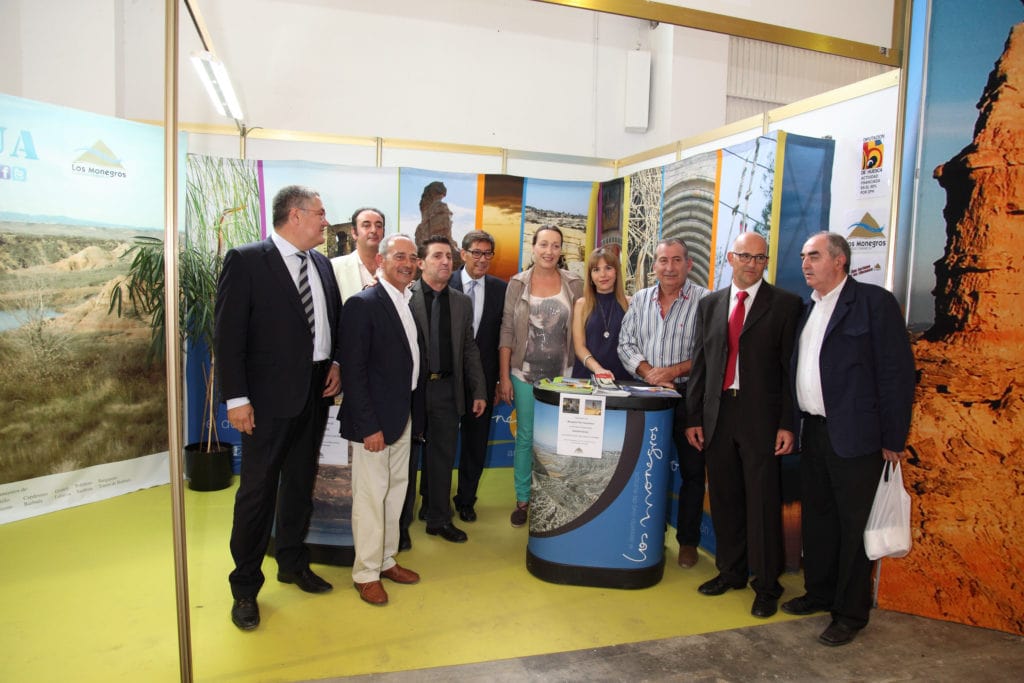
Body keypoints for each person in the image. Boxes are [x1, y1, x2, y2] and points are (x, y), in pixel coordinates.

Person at [215, 185, 343, 631]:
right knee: (258, 492)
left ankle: (292, 562)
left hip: (315, 392)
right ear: (295, 215)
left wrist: (336, 363)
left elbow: (331, 322)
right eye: (320, 213)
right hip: (266, 401)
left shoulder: (321, 264)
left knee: (299, 485)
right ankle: (245, 588)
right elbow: (228, 336)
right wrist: (236, 399)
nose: (325, 221)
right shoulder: (247, 260)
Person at [782, 231, 915, 646]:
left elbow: (896, 374)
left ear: (839, 260)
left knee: (853, 527)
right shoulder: (809, 308)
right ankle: (819, 593)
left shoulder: (874, 303)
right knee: (818, 521)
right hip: (815, 433)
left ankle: (850, 613)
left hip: (858, 438)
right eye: (803, 256)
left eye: (814, 256)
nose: (805, 263)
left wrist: (894, 437)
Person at [683, 232, 802, 618]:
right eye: (745, 256)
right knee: (725, 497)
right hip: (719, 415)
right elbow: (701, 363)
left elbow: (790, 371)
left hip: (761, 419)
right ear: (730, 258)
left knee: (762, 502)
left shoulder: (786, 305)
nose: (752, 264)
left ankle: (767, 585)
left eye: (760, 258)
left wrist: (787, 424)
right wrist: (694, 417)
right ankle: (730, 572)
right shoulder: (710, 304)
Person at [338, 233, 424, 607]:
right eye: (399, 256)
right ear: (380, 261)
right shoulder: (363, 304)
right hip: (375, 422)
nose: (407, 263)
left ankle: (386, 560)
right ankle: (365, 573)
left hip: (401, 414)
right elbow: (353, 371)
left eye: (413, 257)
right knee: (371, 497)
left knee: (395, 491)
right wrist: (368, 426)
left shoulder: (406, 301)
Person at [618, 237, 709, 568]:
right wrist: (650, 373)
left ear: (689, 264)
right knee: (643, 469)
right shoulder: (640, 299)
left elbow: (710, 351)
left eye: (676, 260)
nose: (669, 267)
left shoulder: (706, 301)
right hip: (648, 398)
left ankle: (688, 542)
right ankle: (644, 534)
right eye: (663, 260)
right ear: (654, 265)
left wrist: (673, 371)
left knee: (692, 473)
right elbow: (625, 344)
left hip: (689, 398)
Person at [403, 235, 487, 544]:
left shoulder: (461, 302)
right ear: (420, 263)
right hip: (411, 391)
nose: (445, 261)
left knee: (442, 458)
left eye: (448, 257)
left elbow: (469, 349)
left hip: (447, 390)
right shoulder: (404, 297)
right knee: (406, 460)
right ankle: (400, 526)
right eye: (437, 256)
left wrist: (479, 390)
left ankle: (438, 519)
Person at [497, 226, 584, 527]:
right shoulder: (517, 283)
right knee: (526, 438)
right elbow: (507, 330)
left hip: (564, 377)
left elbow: (582, 329)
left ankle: (555, 498)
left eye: (555, 245)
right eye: (544, 244)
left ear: (562, 250)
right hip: (524, 375)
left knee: (560, 439)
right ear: (533, 248)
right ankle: (523, 500)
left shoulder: (574, 284)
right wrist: (504, 377)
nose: (549, 251)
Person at [449, 230, 508, 523]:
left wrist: (496, 381)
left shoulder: (501, 289)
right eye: (476, 253)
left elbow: (502, 338)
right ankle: (434, 501)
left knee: (475, 444)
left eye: (487, 254)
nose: (482, 259)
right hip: (445, 379)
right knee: (441, 444)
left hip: (482, 382)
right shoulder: (444, 282)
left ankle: (466, 500)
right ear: (463, 254)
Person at [572, 247, 630, 380]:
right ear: (590, 276)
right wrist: (598, 369)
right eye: (596, 270)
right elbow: (579, 347)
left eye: (608, 268)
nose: (603, 275)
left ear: (616, 272)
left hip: (621, 379)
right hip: (587, 378)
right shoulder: (581, 304)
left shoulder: (630, 304)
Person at [331, 207, 384, 303]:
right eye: (366, 225)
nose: (374, 230)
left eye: (379, 226)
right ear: (354, 232)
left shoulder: (394, 267)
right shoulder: (335, 268)